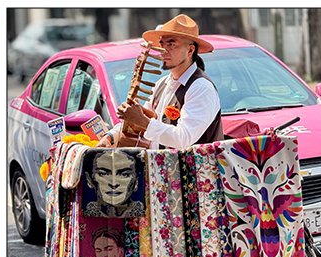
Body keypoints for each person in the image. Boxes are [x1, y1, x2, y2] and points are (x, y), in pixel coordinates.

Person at [100, 14, 223, 150]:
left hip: (195, 171)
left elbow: (183, 139)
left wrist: (143, 121)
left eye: (171, 44)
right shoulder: (162, 84)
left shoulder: (201, 87)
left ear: (190, 50)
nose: (163, 50)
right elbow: (141, 123)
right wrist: (111, 136)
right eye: (162, 44)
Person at [83, 151, 145, 218]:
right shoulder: (87, 212)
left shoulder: (145, 215)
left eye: (125, 174)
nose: (113, 184)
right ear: (89, 179)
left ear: (136, 181)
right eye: (102, 174)